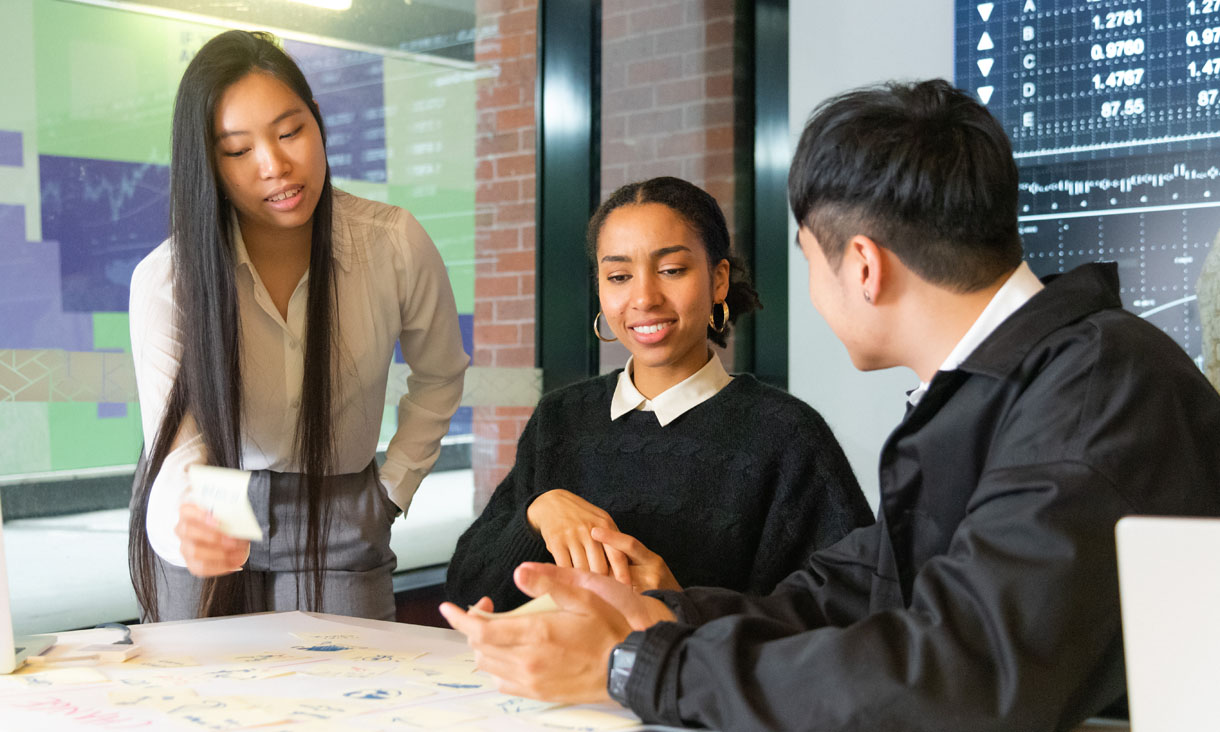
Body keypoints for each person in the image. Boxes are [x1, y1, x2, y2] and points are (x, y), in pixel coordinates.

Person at [439, 80, 1220, 731]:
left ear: (864, 266)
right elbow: (861, 585)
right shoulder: (1013, 385)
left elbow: (960, 677)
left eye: (809, 262)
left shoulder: (1088, 398)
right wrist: (661, 617)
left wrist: (647, 666)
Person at [127, 30, 468, 623]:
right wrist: (186, 525)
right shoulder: (168, 279)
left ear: (317, 122)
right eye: (238, 151)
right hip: (215, 496)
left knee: (348, 703)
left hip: (339, 502)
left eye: (291, 132)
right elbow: (178, 447)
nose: (276, 165)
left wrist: (390, 493)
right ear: (207, 162)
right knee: (207, 704)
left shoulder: (392, 244)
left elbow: (440, 375)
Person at [446, 176, 873, 611]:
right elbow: (466, 591)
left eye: (671, 270)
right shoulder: (559, 419)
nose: (644, 298)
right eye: (618, 275)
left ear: (719, 279)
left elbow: (854, 614)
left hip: (692, 680)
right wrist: (538, 514)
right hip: (550, 676)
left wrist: (682, 604)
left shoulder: (787, 435)